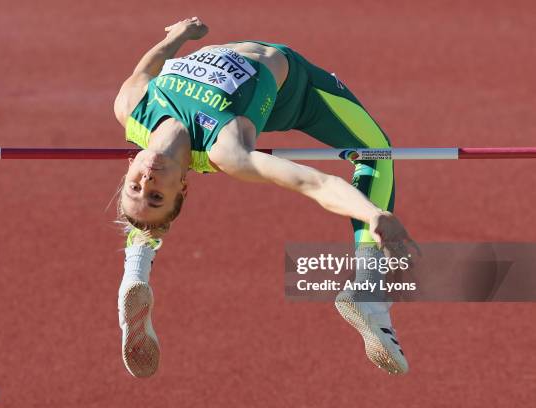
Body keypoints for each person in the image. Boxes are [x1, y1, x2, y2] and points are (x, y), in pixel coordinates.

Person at [113, 17, 417, 378]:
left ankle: (135, 272)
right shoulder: (227, 149)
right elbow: (312, 183)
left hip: (245, 84)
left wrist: (178, 36)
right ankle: (370, 290)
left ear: (130, 168)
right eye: (156, 195)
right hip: (295, 93)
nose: (147, 181)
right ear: (182, 187)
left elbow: (147, 67)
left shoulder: (132, 106)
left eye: (136, 187)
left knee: (146, 214)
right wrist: (371, 214)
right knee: (375, 151)